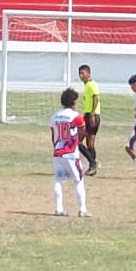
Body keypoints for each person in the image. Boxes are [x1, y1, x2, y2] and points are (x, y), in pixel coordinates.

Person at [50, 87, 89, 217]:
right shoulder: (76, 116)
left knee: (58, 180)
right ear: (73, 102)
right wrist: (77, 141)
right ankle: (82, 209)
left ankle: (58, 208)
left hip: (58, 152)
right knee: (78, 180)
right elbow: (83, 130)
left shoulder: (54, 116)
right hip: (71, 153)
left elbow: (53, 134)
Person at [78, 63, 100, 175]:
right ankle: (93, 167)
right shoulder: (87, 85)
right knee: (90, 144)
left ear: (88, 73)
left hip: (92, 115)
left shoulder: (92, 84)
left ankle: (93, 163)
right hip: (88, 115)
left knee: (77, 141)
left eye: (83, 73)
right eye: (80, 74)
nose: (81, 76)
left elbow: (95, 98)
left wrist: (91, 114)